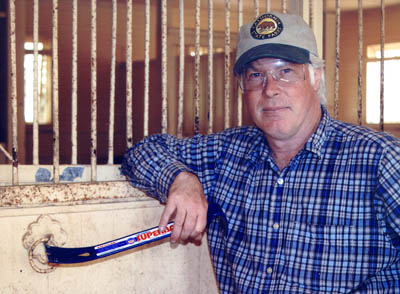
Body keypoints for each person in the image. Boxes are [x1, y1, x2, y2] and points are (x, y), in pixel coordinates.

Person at [121, 11, 400, 293]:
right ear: (243, 87)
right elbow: (142, 152)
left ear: (315, 77)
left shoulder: (380, 159)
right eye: (256, 75)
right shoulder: (226, 153)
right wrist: (180, 179)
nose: (270, 89)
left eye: (286, 71)